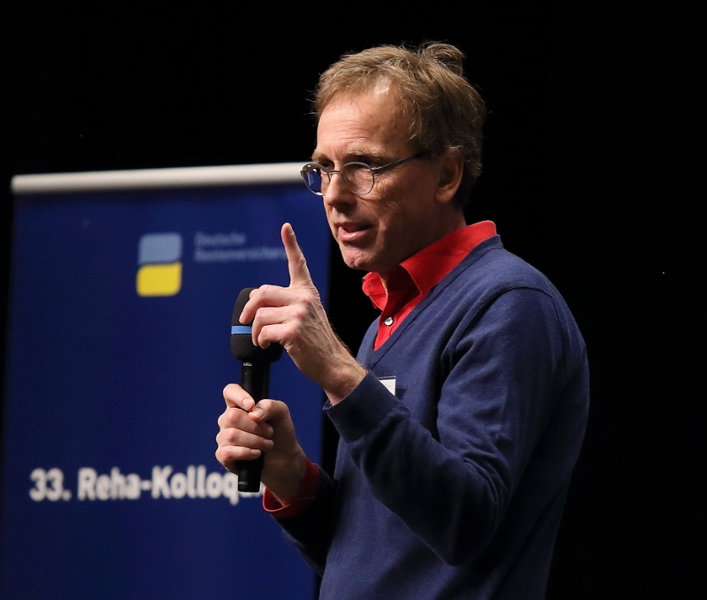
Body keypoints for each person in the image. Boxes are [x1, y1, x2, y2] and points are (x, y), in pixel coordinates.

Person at [215, 42, 588, 599]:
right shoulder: (390, 319)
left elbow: (464, 523)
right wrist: (293, 477)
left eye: (364, 166)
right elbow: (379, 556)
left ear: (446, 175)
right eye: (324, 169)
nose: (335, 196)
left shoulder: (508, 303)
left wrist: (341, 374)